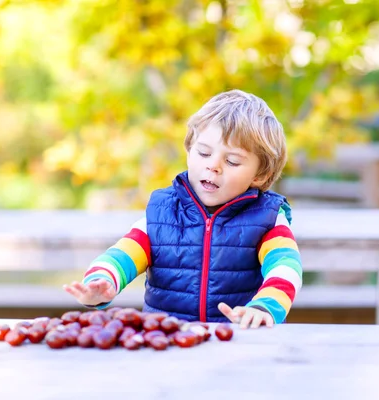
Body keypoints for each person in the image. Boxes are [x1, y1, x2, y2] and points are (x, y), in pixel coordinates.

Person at [63, 89, 302, 329]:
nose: (213, 166)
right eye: (204, 152)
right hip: (167, 340)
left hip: (236, 340)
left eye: (232, 161)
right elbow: (123, 254)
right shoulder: (162, 212)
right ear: (189, 149)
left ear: (260, 175)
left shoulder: (267, 218)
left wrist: (264, 307)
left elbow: (286, 266)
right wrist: (102, 281)